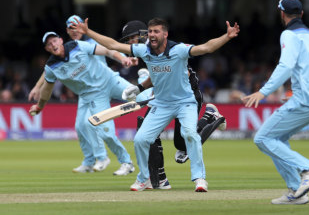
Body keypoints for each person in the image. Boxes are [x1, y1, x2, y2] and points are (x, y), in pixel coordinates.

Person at [72, 17, 239, 192]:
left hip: (185, 102)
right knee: (140, 139)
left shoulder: (178, 50)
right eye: (150, 31)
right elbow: (113, 45)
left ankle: (199, 179)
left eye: (156, 31)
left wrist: (227, 36)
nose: (152, 35)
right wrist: (88, 32)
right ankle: (145, 179)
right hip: (162, 103)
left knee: (188, 135)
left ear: (165, 34)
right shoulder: (144, 51)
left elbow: (206, 48)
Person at [120, 20, 227, 190]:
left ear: (142, 34)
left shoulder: (167, 46)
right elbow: (158, 76)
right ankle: (157, 179)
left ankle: (210, 118)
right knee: (144, 136)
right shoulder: (146, 51)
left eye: (131, 38)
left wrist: (151, 88)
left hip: (187, 94)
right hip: (164, 99)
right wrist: (140, 88)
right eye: (127, 40)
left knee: (182, 143)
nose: (129, 43)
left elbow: (172, 72)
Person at [241, 0, 309, 205]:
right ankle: (297, 191)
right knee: (277, 140)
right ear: (302, 14)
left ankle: (307, 169)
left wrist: (263, 91)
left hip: (305, 99)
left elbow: (286, 66)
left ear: (281, 13)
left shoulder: (289, 34)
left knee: (262, 139)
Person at [29, 30, 139, 176]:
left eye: (54, 41)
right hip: (94, 96)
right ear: (47, 49)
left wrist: (122, 59)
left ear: (61, 40)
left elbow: (107, 50)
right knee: (106, 134)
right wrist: (39, 106)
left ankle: (158, 91)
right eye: (49, 44)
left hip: (110, 80)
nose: (53, 45)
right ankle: (126, 162)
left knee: (142, 97)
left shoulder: (77, 45)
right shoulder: (51, 67)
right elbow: (47, 90)